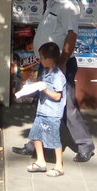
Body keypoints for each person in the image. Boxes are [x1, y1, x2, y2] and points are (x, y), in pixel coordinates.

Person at [13, 0, 96, 162]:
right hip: (47, 64)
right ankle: (33, 145)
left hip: (60, 66)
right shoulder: (51, 2)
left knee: (66, 106)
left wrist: (63, 63)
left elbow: (71, 35)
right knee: (42, 105)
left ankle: (85, 145)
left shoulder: (67, 5)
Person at [24, 41, 67, 178]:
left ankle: (59, 166)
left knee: (54, 139)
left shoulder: (58, 76)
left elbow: (58, 96)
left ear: (49, 59)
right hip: (41, 110)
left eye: (42, 58)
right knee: (36, 135)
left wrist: (44, 90)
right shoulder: (44, 72)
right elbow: (41, 85)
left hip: (52, 113)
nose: (40, 60)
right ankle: (40, 161)